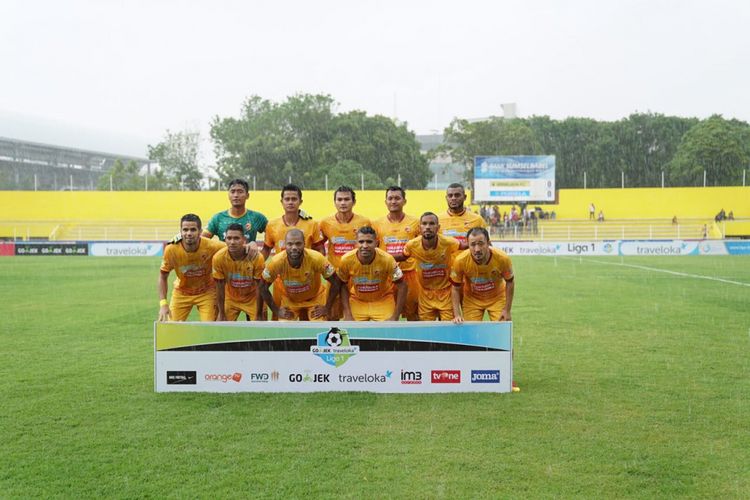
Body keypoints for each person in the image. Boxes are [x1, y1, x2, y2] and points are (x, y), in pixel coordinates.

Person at [262, 184, 325, 319]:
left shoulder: (311, 224)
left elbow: (320, 249)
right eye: (287, 199)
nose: (290, 202)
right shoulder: (272, 225)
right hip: (282, 282)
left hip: (307, 279)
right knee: (281, 320)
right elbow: (266, 249)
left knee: (308, 319)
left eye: (294, 199)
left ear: (300, 202)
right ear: (282, 202)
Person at [158, 214, 225, 322]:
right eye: (185, 230)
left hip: (207, 292)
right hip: (181, 292)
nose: (189, 233)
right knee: (171, 329)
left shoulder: (212, 246)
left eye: (193, 230)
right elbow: (162, 276)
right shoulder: (171, 249)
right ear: (180, 231)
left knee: (210, 328)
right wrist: (163, 304)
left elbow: (233, 248)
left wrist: (250, 245)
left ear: (200, 231)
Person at [260, 229, 337, 321]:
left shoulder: (316, 258)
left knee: (319, 327)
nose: (294, 247)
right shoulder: (276, 262)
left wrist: (326, 308)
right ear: (285, 245)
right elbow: (262, 286)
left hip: (315, 299)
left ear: (304, 244)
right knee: (285, 327)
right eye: (290, 244)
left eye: (298, 243)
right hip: (290, 301)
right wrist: (276, 310)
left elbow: (336, 282)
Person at [332, 226, 406, 321]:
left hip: (383, 300)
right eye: (361, 242)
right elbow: (341, 284)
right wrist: (347, 313)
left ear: (376, 243)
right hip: (358, 301)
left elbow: (403, 285)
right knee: (351, 329)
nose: (365, 246)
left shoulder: (387, 259)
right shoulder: (346, 260)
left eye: (369, 242)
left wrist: (395, 316)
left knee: (388, 329)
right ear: (356, 243)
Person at [319, 186, 371, 319]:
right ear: (334, 202)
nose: (343, 203)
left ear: (353, 202)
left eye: (347, 199)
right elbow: (317, 244)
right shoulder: (325, 223)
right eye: (339, 199)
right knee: (331, 314)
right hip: (334, 276)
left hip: (356, 275)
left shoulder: (364, 222)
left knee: (356, 315)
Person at [400, 212, 461, 321]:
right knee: (426, 329)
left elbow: (466, 247)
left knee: (448, 329)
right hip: (425, 293)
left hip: (446, 292)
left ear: (438, 227)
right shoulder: (412, 245)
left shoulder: (448, 242)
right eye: (424, 223)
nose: (428, 227)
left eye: (432, 224)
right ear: (419, 227)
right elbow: (402, 257)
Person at [371, 186, 420, 320]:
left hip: (409, 274)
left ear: (404, 201)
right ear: (385, 201)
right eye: (390, 198)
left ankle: (413, 341)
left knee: (413, 315)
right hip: (386, 276)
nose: (393, 201)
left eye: (397, 198)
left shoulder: (415, 223)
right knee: (388, 315)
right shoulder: (376, 224)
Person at [450, 227, 514, 323]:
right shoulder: (460, 260)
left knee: (501, 331)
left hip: (497, 298)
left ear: (488, 243)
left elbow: (510, 282)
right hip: (472, 300)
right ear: (468, 245)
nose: (477, 249)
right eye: (472, 245)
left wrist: (507, 310)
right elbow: (455, 288)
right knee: (470, 334)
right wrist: (457, 314)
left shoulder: (502, 258)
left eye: (481, 244)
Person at [212, 223, 265, 321]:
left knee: (260, 328)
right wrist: (222, 313)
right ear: (225, 240)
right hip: (231, 299)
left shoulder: (256, 258)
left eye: (236, 238)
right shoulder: (218, 258)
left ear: (244, 240)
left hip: (252, 299)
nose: (232, 242)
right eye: (229, 238)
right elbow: (219, 287)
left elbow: (260, 287)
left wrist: (259, 313)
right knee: (221, 328)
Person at [204, 179, 268, 243]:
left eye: (240, 192)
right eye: (232, 192)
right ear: (228, 195)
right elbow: (202, 240)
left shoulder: (257, 217)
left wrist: (262, 251)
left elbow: (273, 234)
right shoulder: (218, 218)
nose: (236, 195)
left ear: (247, 195)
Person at [439, 183, 486, 248]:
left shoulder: (477, 220)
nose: (453, 198)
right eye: (450, 196)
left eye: (457, 195)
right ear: (446, 198)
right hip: (446, 258)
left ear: (465, 197)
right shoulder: (438, 220)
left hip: (467, 258)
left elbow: (486, 245)